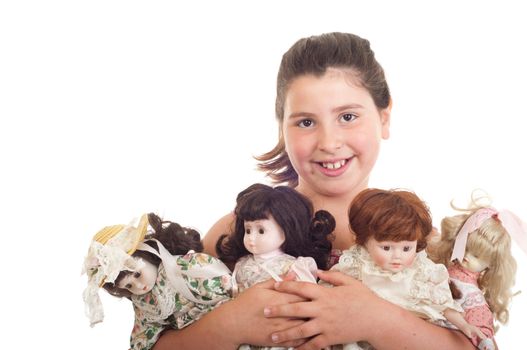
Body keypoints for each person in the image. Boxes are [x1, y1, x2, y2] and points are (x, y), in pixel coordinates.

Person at [153, 32, 476, 349]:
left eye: (347, 116)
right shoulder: (239, 232)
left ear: (384, 117)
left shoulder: (416, 239)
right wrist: (229, 325)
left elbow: (478, 342)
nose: (329, 143)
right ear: (282, 128)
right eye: (306, 122)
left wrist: (379, 321)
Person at [328, 188, 486, 350]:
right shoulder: (358, 263)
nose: (397, 256)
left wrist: (464, 325)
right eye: (386, 248)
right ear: (365, 242)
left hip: (405, 336)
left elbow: (442, 304)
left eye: (406, 248)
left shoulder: (420, 270)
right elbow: (332, 289)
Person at [82, 213, 232, 350]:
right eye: (128, 286)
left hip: (216, 313)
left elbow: (209, 271)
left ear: (147, 253)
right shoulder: (142, 301)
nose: (139, 286)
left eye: (137, 274)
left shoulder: (178, 266)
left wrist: (228, 291)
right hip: (191, 337)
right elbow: (144, 328)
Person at [428, 193, 524, 350]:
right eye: (466, 247)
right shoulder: (446, 266)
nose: (466, 256)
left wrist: (485, 341)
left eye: (477, 256)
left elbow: (481, 328)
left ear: (490, 265)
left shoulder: (473, 296)